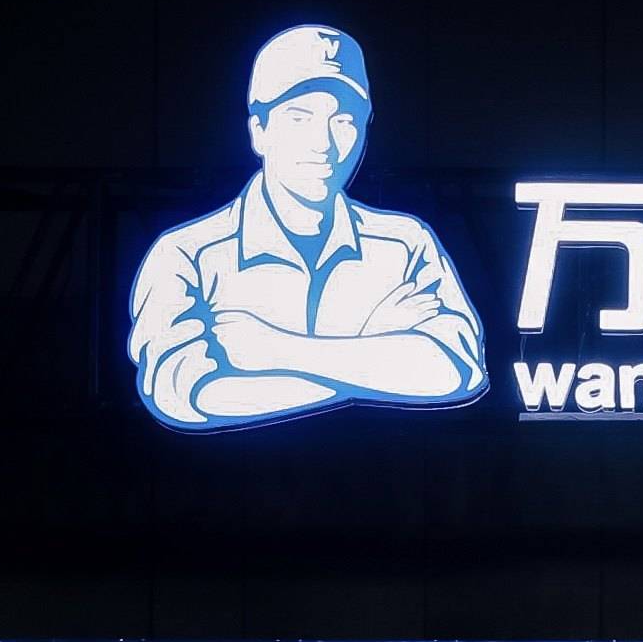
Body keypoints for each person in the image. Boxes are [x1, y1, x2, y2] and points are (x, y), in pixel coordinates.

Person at [126, 24, 486, 430]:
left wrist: (273, 348)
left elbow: (457, 369)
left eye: (344, 120)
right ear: (259, 132)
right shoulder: (186, 253)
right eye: (299, 117)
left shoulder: (405, 243)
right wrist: (373, 355)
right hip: (227, 472)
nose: (324, 143)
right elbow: (188, 396)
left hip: (388, 467)